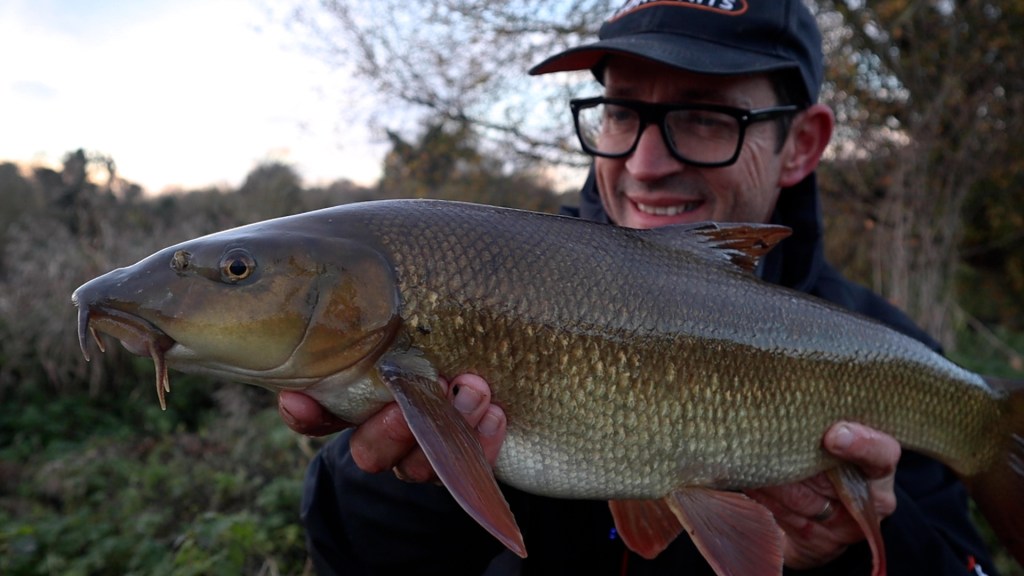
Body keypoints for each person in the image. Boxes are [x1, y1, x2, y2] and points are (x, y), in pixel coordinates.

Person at [278, 1, 1000, 574]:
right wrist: (411, 476)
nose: (646, 164)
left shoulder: (900, 361)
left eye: (705, 117)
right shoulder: (486, 285)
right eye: (622, 112)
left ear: (802, 144)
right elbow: (352, 560)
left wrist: (850, 551)